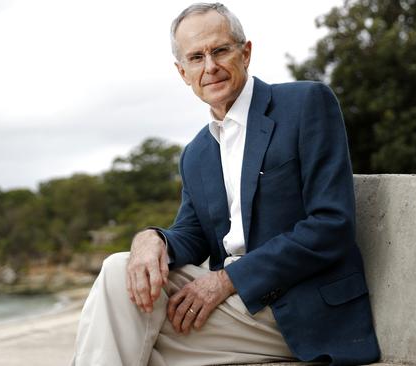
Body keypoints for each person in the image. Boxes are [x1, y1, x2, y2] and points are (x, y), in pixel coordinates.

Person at [72, 3, 380, 365]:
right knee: (118, 272)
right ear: (182, 72)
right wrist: (149, 239)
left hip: (298, 306)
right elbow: (191, 234)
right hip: (232, 307)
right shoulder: (196, 153)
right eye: (196, 57)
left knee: (128, 337)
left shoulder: (305, 104)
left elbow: (332, 225)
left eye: (220, 51)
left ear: (245, 52)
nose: (210, 67)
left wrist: (227, 280)